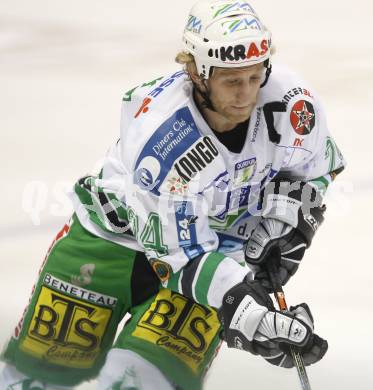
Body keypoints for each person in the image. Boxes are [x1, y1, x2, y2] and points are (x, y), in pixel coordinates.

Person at [1, 0, 345, 389]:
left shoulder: (291, 102)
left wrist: (284, 231)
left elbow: (315, 169)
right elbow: (182, 256)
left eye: (253, 78)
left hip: (215, 256)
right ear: (197, 72)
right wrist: (256, 319)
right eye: (231, 81)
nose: (246, 95)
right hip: (110, 247)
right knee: (35, 381)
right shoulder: (164, 138)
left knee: (146, 384)